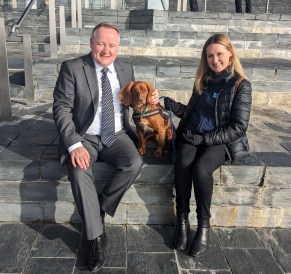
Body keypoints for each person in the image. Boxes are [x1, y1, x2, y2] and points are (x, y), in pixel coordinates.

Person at [53, 22, 159, 272]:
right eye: (101, 43)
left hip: (117, 135)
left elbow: (134, 102)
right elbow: (61, 109)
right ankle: (95, 238)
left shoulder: (125, 68)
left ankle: (98, 208)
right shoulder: (72, 68)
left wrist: (149, 100)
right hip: (85, 136)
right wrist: (73, 144)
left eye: (112, 45)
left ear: (117, 47)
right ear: (91, 43)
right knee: (79, 172)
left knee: (134, 164)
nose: (106, 50)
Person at [164, 33, 252, 257]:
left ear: (230, 53)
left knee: (202, 169)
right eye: (210, 56)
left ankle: (203, 226)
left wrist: (205, 140)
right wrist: (177, 108)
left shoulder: (241, 85)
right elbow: (195, 111)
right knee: (183, 161)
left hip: (220, 140)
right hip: (193, 135)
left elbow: (239, 127)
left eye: (219, 54)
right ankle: (181, 219)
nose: (215, 60)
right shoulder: (204, 80)